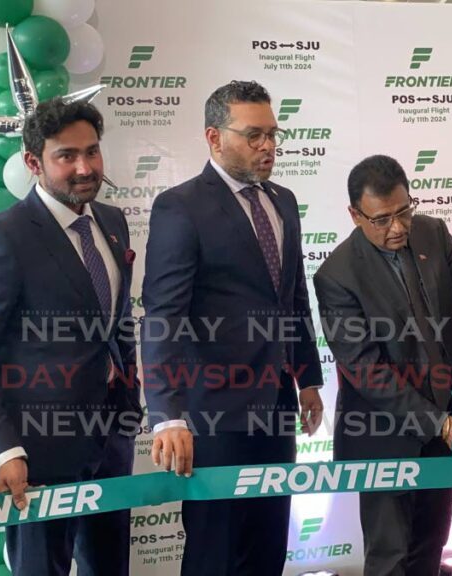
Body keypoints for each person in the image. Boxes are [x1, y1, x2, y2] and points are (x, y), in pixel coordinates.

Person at [0, 97, 141, 575]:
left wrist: (132, 394)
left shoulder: (111, 223)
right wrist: (3, 449)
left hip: (110, 441)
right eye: (66, 156)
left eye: (92, 152)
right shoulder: (1, 238)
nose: (84, 167)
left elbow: (113, 324)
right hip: (34, 455)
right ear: (33, 162)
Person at [140, 80, 324, 576]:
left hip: (276, 409)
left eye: (272, 134)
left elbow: (293, 298)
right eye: (252, 135)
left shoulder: (283, 200)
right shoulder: (181, 206)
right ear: (213, 137)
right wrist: (167, 414)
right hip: (212, 415)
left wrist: (307, 377)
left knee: (267, 552)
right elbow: (163, 315)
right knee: (215, 556)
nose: (267, 146)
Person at [313, 154, 452, 576]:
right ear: (355, 215)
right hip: (383, 437)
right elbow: (366, 371)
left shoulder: (433, 233)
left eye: (404, 212)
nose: (398, 227)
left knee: (430, 550)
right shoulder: (336, 275)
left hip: (443, 432)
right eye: (382, 219)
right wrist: (437, 421)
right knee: (390, 559)